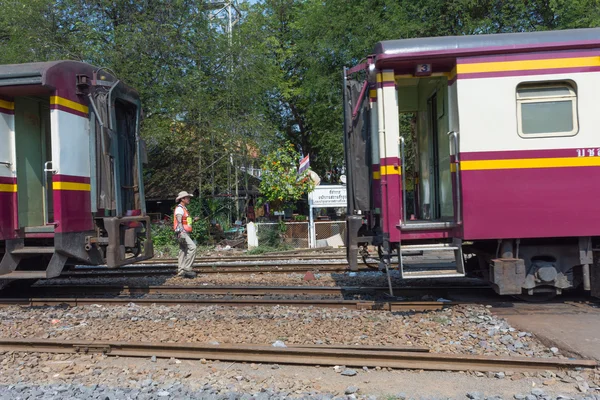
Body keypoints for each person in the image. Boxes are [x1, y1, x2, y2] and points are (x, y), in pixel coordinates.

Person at [173, 191, 199, 278]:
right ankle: (187, 268)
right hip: (182, 233)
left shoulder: (184, 209)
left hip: (182, 232)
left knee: (183, 251)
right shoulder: (180, 209)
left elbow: (186, 221)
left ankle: (181, 271)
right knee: (193, 247)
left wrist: (194, 220)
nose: (189, 199)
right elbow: (179, 220)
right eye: (187, 198)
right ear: (182, 199)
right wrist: (182, 232)